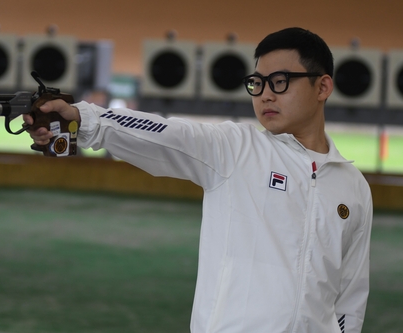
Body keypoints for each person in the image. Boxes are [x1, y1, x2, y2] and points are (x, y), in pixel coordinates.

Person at [24, 27, 373, 333]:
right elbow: (165, 134)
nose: (265, 94)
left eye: (280, 82)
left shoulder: (353, 186)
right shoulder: (236, 149)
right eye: (257, 83)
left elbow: (349, 298)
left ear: (322, 86)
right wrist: (83, 120)